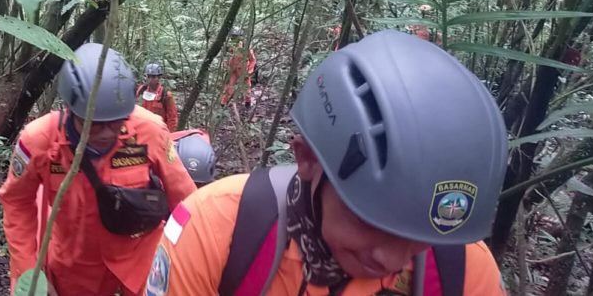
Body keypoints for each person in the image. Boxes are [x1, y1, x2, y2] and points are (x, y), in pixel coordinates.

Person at [146, 30, 508, 296]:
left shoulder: (461, 270)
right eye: (370, 218)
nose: (392, 258)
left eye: (416, 237)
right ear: (307, 159)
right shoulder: (219, 229)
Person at [0, 43, 197, 296]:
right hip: (75, 263)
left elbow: (187, 202)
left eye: (116, 123)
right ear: (71, 110)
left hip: (141, 255)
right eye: (93, 124)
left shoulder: (150, 130)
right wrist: (29, 273)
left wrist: (186, 260)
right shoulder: (40, 140)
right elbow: (16, 202)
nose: (106, 132)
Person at [137, 63, 180, 131]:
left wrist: (170, 135)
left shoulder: (165, 95)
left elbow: (172, 118)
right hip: (143, 130)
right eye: (149, 76)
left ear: (159, 77)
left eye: (153, 77)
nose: (150, 79)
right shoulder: (141, 90)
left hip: (159, 131)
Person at [221, 28, 257, 108]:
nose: (234, 39)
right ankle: (223, 103)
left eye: (236, 37)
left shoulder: (245, 46)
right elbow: (225, 58)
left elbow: (253, 60)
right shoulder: (229, 47)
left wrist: (249, 70)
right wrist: (226, 67)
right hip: (232, 70)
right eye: (233, 37)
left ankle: (248, 103)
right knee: (229, 87)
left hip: (244, 70)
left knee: (246, 87)